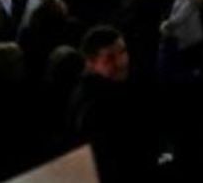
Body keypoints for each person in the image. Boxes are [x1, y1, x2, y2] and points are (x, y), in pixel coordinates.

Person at [67, 25, 158, 182]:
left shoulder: (118, 88)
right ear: (91, 63)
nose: (122, 62)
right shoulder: (95, 107)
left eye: (123, 52)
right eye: (110, 58)